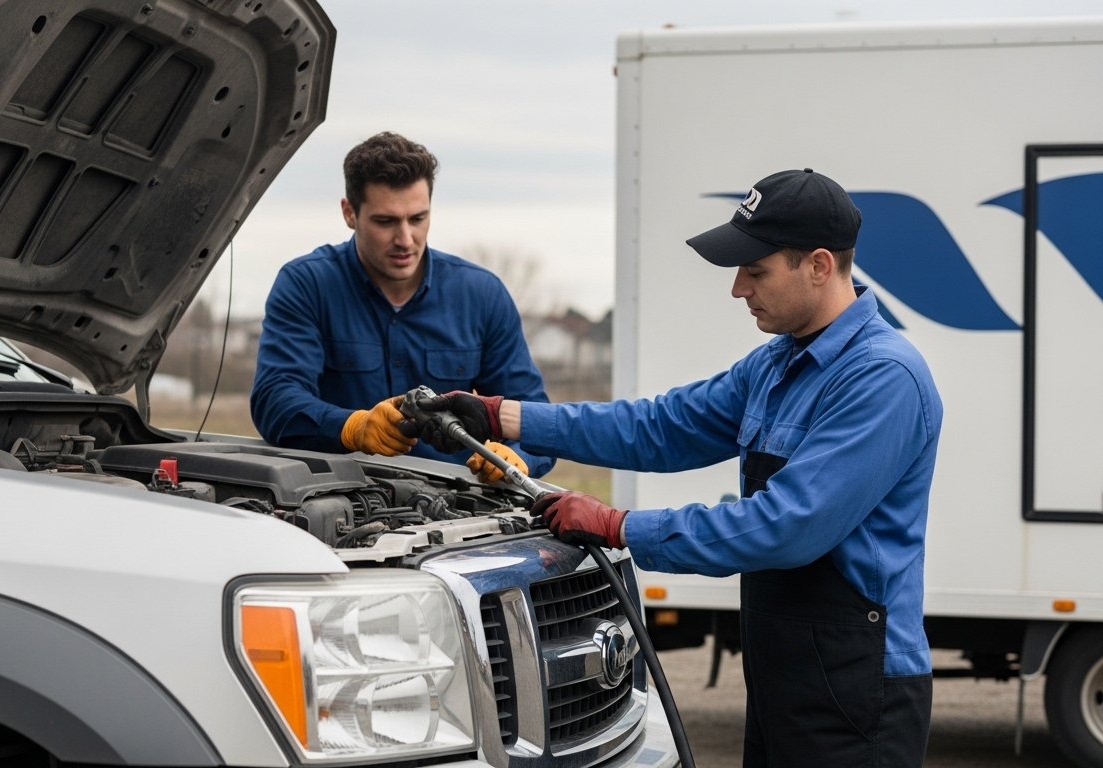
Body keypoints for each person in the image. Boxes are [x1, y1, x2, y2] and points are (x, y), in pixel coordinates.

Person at [418, 168, 943, 767]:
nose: (738, 288)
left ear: (819, 266)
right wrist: (504, 416)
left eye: (756, 270)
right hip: (787, 672)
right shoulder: (776, 366)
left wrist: (619, 526)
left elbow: (786, 525)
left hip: (857, 689)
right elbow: (660, 427)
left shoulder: (881, 378)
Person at [249, 131, 554, 481]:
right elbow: (276, 401)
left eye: (417, 218)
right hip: (333, 498)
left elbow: (535, 417)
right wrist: (352, 427)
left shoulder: (482, 295)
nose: (405, 240)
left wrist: (517, 457)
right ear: (349, 213)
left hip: (458, 507)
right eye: (386, 221)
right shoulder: (306, 285)